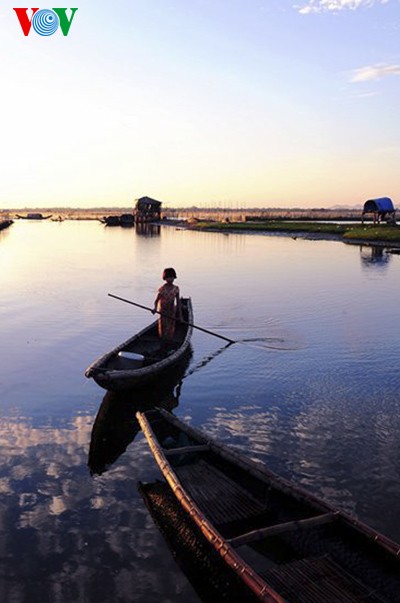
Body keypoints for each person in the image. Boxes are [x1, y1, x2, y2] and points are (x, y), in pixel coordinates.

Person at [152, 267, 182, 344]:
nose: (170, 279)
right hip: (163, 311)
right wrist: (155, 308)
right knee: (163, 328)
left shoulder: (176, 289)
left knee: (170, 328)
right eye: (168, 277)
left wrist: (180, 316)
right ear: (165, 278)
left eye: (172, 277)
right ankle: (163, 342)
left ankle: (169, 342)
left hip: (171, 311)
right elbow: (156, 301)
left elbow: (178, 302)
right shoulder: (162, 289)